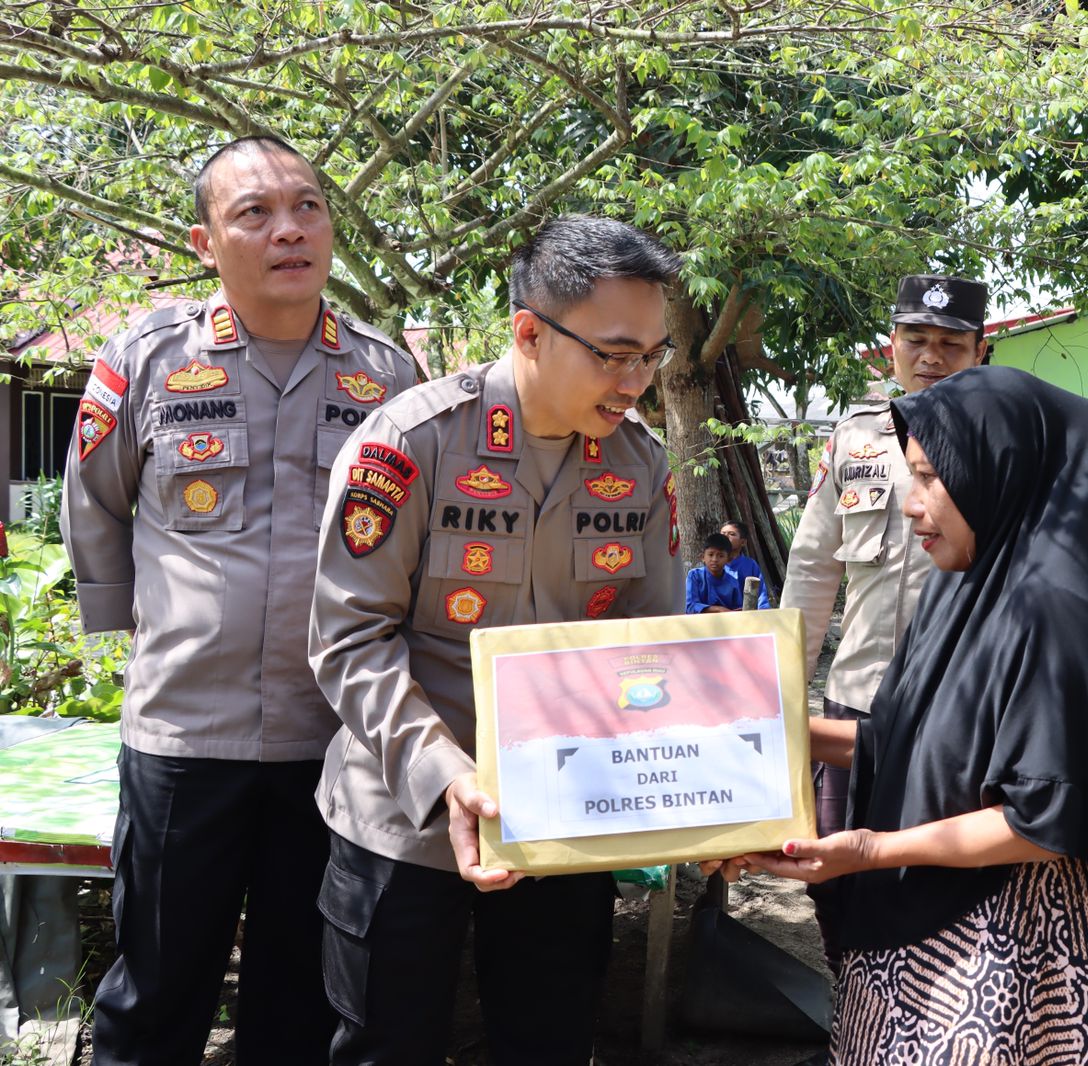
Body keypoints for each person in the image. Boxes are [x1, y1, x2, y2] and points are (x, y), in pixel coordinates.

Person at [716, 366, 1088, 1064]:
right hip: (920, 926)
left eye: (928, 479)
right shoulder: (962, 588)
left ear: (998, 471)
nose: (911, 505)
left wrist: (866, 851)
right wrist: (771, 737)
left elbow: (1041, 822)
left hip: (1010, 960)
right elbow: (906, 743)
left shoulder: (1054, 615)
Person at [61, 135, 420, 1064]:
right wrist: (123, 635)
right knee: (154, 991)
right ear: (204, 240)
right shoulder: (146, 358)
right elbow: (95, 501)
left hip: (332, 736)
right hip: (186, 732)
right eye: (253, 213)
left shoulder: (386, 377)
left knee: (299, 1000)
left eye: (308, 206)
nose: (288, 229)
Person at [308, 215, 682, 1065]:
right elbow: (349, 639)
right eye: (616, 354)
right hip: (402, 819)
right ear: (528, 331)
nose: (637, 380)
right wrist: (448, 776)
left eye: (652, 356)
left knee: (547, 1041)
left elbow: (652, 646)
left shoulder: (641, 463)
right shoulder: (412, 444)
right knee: (385, 1045)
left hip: (564, 817)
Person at [780, 274, 988, 966]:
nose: (931, 356)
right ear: (891, 348)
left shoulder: (1000, 443)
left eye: (950, 344)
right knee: (831, 873)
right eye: (916, 340)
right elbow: (813, 569)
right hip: (855, 700)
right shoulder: (856, 441)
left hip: (952, 709)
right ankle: (854, 1015)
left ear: (980, 352)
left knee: (932, 883)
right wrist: (780, 692)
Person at [686, 531, 743, 613]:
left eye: (721, 556)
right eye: (711, 554)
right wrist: (718, 609)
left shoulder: (733, 583)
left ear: (728, 559)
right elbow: (690, 606)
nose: (715, 560)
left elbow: (738, 609)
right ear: (702, 557)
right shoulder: (695, 576)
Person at [720, 518, 771, 608]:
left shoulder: (750, 565)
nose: (725, 537)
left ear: (743, 542)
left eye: (731, 534)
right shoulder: (713, 565)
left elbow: (761, 595)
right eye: (723, 534)